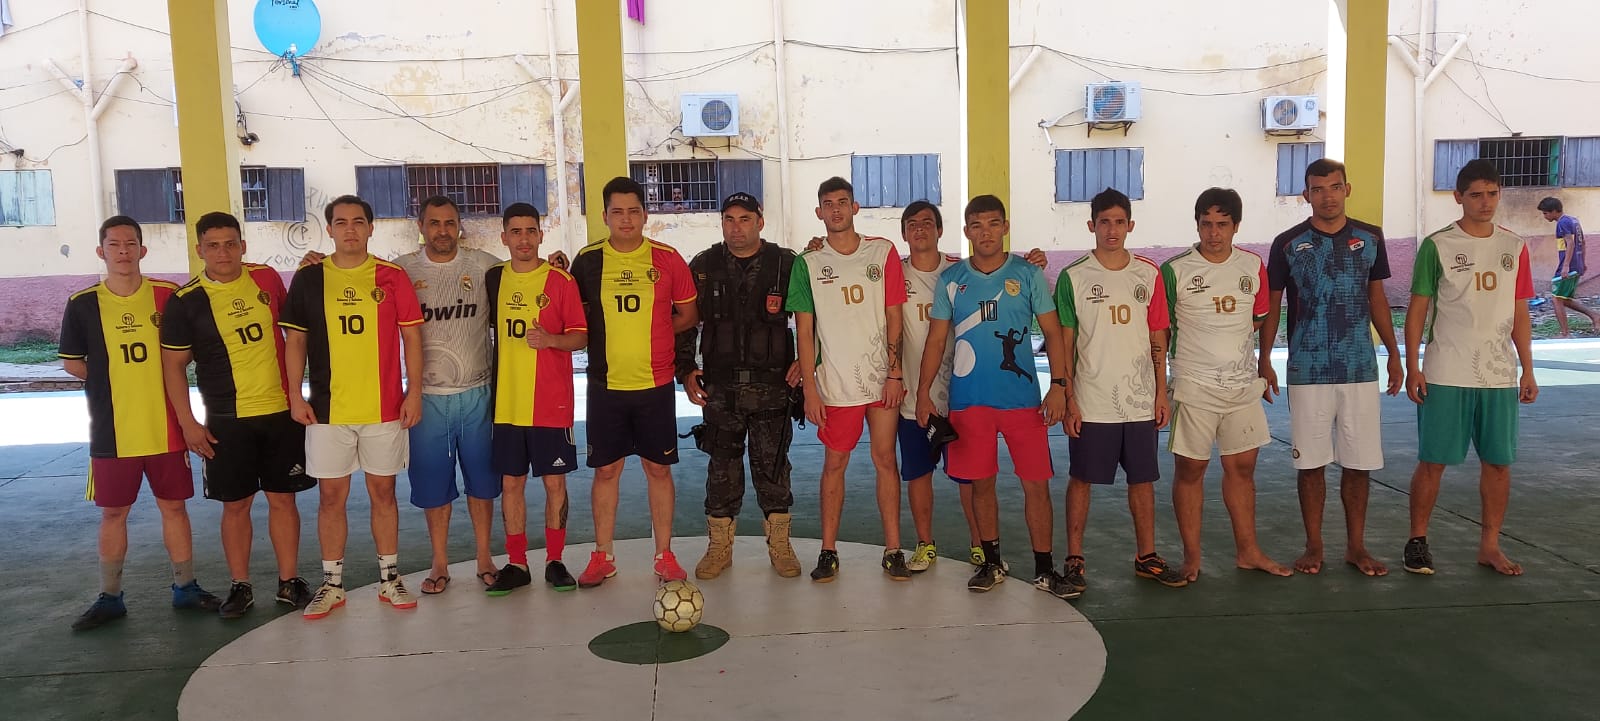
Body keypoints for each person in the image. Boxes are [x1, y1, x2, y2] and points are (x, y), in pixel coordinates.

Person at [60, 215, 222, 630]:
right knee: (114, 513)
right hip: (113, 430)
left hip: (166, 425)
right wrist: (111, 379)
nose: (123, 251)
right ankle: (110, 596)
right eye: (114, 245)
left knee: (174, 507)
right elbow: (72, 362)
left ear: (142, 250)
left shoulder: (168, 296)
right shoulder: (83, 303)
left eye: (130, 244)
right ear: (101, 251)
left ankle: (185, 587)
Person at [160, 212, 316, 619]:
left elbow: (295, 330)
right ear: (199, 250)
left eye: (230, 243)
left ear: (242, 246)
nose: (223, 252)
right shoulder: (185, 301)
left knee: (284, 499)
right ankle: (240, 586)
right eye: (213, 245)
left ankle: (289, 582)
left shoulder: (266, 278)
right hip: (227, 420)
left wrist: (311, 269)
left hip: (280, 412)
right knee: (236, 505)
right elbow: (173, 367)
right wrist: (188, 423)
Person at [916, 195, 1071, 596]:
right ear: (966, 231)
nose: (985, 232)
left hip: (1023, 402)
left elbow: (1053, 332)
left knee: (1036, 484)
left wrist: (1059, 386)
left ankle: (1045, 569)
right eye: (977, 225)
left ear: (1005, 227)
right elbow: (936, 340)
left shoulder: (1028, 274)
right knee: (981, 485)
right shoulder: (952, 280)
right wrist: (923, 393)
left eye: (993, 224)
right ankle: (991, 562)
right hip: (969, 401)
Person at [281, 195, 425, 619]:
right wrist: (295, 395)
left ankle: (390, 578)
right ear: (329, 230)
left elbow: (412, 338)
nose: (350, 229)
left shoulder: (392, 277)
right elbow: (296, 340)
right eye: (341, 222)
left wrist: (414, 391)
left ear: (370, 228)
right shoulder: (309, 278)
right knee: (331, 497)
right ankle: (332, 584)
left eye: (358, 221)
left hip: (384, 409)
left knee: (384, 493)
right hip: (327, 411)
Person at [1260, 158, 1403, 577]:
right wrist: (1264, 359)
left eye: (1335, 187)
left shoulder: (1370, 238)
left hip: (1360, 367)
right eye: (1318, 189)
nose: (1328, 196)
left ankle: (1356, 547)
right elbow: (1272, 306)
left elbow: (1377, 298)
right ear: (1306, 195)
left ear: (1347, 189)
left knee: (1359, 463)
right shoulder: (1287, 244)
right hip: (1308, 370)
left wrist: (1394, 354)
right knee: (1311, 464)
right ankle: (1314, 545)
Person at [1403, 159, 1537, 576]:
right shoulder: (1437, 245)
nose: (1485, 202)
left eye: (1492, 194)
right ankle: (1417, 541)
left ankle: (1490, 546)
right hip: (1446, 371)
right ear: (1458, 197)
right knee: (1433, 461)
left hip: (1498, 374)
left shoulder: (1514, 247)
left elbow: (1520, 312)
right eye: (1476, 195)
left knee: (1498, 463)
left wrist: (1528, 369)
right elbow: (1418, 309)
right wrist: (1413, 365)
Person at [1055, 188, 1187, 594]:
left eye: (1118, 222)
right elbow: (1065, 342)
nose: (1111, 230)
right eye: (1104, 222)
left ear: (1130, 225)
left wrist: (1161, 393)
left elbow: (1158, 335)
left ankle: (1146, 555)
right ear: (1091, 225)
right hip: (1092, 400)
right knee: (1081, 478)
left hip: (1140, 400)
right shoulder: (1073, 277)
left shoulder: (1148, 274)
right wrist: (1069, 398)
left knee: (1142, 480)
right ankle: (1074, 558)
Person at [570, 177, 699, 586]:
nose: (625, 219)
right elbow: (575, 318)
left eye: (633, 211)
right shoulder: (586, 262)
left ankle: (664, 555)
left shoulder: (668, 259)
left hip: (654, 386)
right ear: (604, 216)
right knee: (606, 471)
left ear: (645, 215)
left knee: (657, 469)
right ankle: (602, 556)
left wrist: (654, 331)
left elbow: (688, 315)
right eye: (617, 212)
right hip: (605, 385)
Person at [1161, 189, 1290, 582]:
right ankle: (1192, 558)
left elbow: (1259, 319)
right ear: (1197, 224)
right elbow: (1160, 331)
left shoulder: (1252, 266)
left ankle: (1248, 551)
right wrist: (1158, 385)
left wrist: (1263, 364)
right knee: (1191, 468)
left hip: (1241, 385)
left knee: (1242, 467)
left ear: (1236, 226)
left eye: (1222, 224)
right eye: (1206, 224)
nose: (1213, 233)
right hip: (1193, 385)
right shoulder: (1175, 270)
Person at [675, 192, 804, 579]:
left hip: (773, 389)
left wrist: (806, 360)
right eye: (729, 219)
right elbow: (684, 320)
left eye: (745, 219)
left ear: (760, 222)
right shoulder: (704, 265)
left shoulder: (786, 264)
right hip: (721, 392)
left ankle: (780, 546)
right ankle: (719, 548)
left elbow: (812, 317)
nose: (736, 227)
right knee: (722, 472)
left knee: (774, 471)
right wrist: (686, 369)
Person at [789, 177, 911, 582]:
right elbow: (804, 331)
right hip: (836, 385)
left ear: (855, 207)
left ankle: (893, 550)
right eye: (828, 203)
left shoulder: (883, 252)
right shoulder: (807, 263)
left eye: (843, 202)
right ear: (819, 212)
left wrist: (895, 372)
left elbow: (894, 316)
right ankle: (828, 550)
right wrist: (810, 388)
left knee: (885, 460)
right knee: (834, 464)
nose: (836, 209)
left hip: (881, 382)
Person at [392, 196, 502, 594]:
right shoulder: (402, 270)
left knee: (483, 483)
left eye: (449, 223)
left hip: (478, 393)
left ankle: (485, 557)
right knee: (434, 487)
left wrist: (555, 263)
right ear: (421, 226)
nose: (442, 230)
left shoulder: (485, 265)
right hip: (427, 397)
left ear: (460, 226)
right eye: (434, 223)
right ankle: (439, 562)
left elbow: (527, 277)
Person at [482, 202, 587, 594]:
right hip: (507, 403)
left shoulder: (561, 281)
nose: (523, 239)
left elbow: (581, 336)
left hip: (550, 402)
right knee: (511, 483)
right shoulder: (493, 278)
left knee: (554, 483)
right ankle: (517, 563)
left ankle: (555, 561)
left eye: (530, 231)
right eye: (516, 231)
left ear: (541, 235)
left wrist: (551, 341)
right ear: (504, 237)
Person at [1538, 196, 1597, 337]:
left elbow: (1570, 243)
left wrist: (1565, 266)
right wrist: (1582, 262)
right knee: (1564, 299)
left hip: (1568, 266)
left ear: (1554, 211)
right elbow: (1582, 242)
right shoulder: (1573, 220)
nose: (1544, 216)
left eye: (1545, 213)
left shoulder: (1562, 223)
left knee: (1556, 299)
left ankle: (1565, 333)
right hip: (1576, 264)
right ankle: (1595, 316)